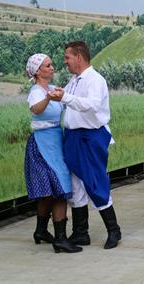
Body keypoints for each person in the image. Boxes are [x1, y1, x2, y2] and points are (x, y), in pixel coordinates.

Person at [48, 41, 121, 249]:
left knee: (95, 182)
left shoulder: (95, 80)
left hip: (90, 137)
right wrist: (55, 97)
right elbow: (68, 102)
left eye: (67, 58)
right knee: (76, 185)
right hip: (73, 137)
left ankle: (114, 230)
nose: (65, 62)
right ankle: (81, 233)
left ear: (79, 57)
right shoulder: (74, 81)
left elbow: (91, 105)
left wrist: (66, 97)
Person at [24, 53, 82, 253]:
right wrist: (48, 98)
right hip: (43, 143)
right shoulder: (37, 91)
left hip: (56, 140)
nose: (52, 68)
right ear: (38, 71)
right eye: (48, 66)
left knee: (50, 191)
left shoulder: (51, 89)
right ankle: (60, 239)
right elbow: (36, 109)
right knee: (60, 188)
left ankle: (41, 231)